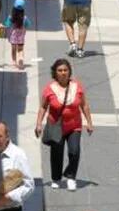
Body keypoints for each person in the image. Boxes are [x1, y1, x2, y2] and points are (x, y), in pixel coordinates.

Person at [35, 59, 93, 191]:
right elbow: (43, 107)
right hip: (56, 126)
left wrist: (89, 122)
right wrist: (39, 124)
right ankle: (56, 178)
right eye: (60, 70)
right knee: (57, 153)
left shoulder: (77, 86)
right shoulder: (49, 89)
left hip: (74, 126)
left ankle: (71, 177)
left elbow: (84, 105)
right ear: (55, 73)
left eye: (65, 70)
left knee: (74, 151)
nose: (63, 73)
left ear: (69, 72)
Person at [3, 0, 31, 70]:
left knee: (13, 49)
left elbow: (7, 25)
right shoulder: (25, 18)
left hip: (13, 37)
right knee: (20, 50)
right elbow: (28, 25)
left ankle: (14, 62)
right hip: (21, 37)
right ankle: (21, 60)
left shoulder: (11, 18)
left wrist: (2, 26)